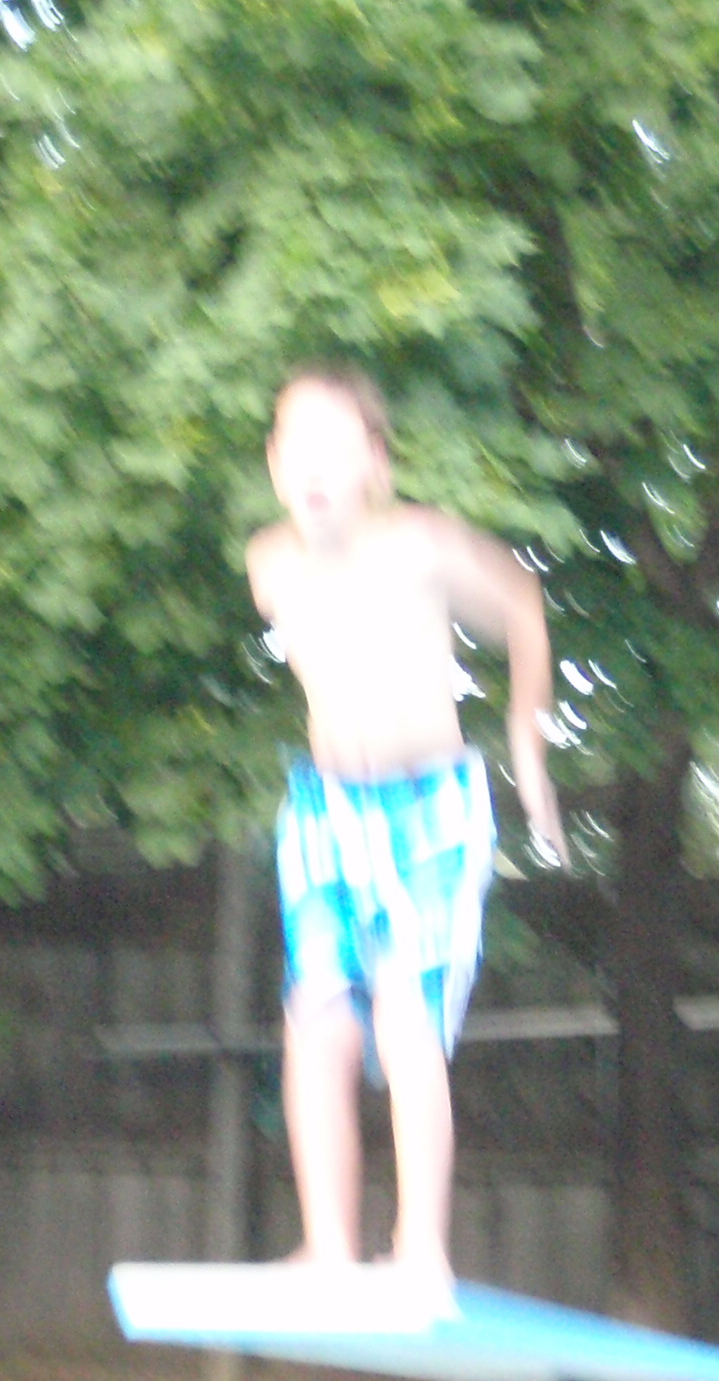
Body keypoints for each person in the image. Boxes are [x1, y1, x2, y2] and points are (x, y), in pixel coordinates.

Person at [247, 365, 567, 1281]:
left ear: (377, 467)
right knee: (316, 1024)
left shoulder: (423, 545)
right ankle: (329, 1247)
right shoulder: (270, 566)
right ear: (273, 465)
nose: (315, 465)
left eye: (336, 445)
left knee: (400, 1014)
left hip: (431, 812)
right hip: (324, 811)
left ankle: (420, 1248)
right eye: (296, 445)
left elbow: (522, 603)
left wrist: (526, 733)